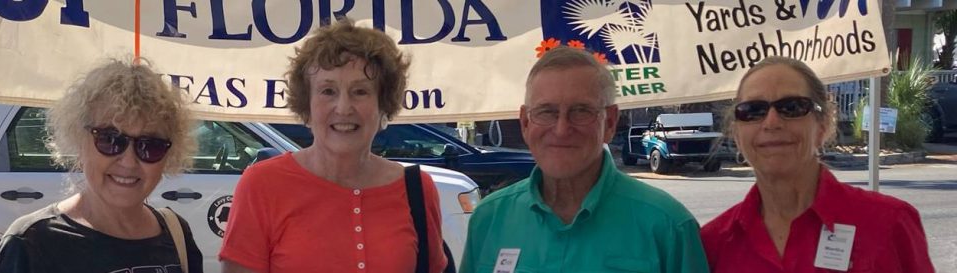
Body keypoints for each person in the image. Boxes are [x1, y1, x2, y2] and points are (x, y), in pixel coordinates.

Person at [219, 18, 448, 273]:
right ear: (307, 105)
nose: (343, 108)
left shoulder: (417, 189)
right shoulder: (262, 185)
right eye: (328, 91)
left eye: (360, 91)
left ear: (383, 105)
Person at [459, 46, 709, 273]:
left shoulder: (668, 227)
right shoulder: (489, 219)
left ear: (610, 123)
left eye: (581, 111)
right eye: (547, 112)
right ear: (525, 122)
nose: (561, 129)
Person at [700, 56, 935, 273]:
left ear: (823, 125)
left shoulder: (890, 223)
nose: (771, 122)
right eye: (752, 111)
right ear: (736, 133)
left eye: (792, 107)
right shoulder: (713, 243)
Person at [0, 59, 203, 272]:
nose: (128, 162)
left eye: (150, 146)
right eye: (110, 140)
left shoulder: (177, 234)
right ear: (80, 141)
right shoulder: (31, 244)